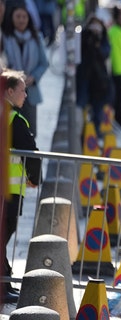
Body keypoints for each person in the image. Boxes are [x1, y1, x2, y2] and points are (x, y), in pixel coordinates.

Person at [1, 70, 41, 303]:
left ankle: (5, 281)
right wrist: (34, 179)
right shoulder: (15, 119)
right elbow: (31, 154)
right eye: (22, 90)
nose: (26, 94)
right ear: (9, 91)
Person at [2, 4, 49, 137]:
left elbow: (44, 63)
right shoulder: (5, 38)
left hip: (30, 91)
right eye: (18, 16)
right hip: (9, 92)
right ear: (11, 18)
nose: (21, 20)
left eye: (24, 17)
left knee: (30, 132)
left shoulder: (36, 37)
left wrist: (33, 77)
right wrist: (14, 77)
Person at [76, 15, 111, 133]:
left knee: (98, 110)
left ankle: (96, 135)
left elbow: (105, 54)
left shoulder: (104, 39)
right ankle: (83, 133)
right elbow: (79, 52)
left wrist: (97, 41)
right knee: (81, 107)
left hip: (99, 81)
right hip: (84, 78)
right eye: (93, 25)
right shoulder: (84, 37)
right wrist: (88, 36)